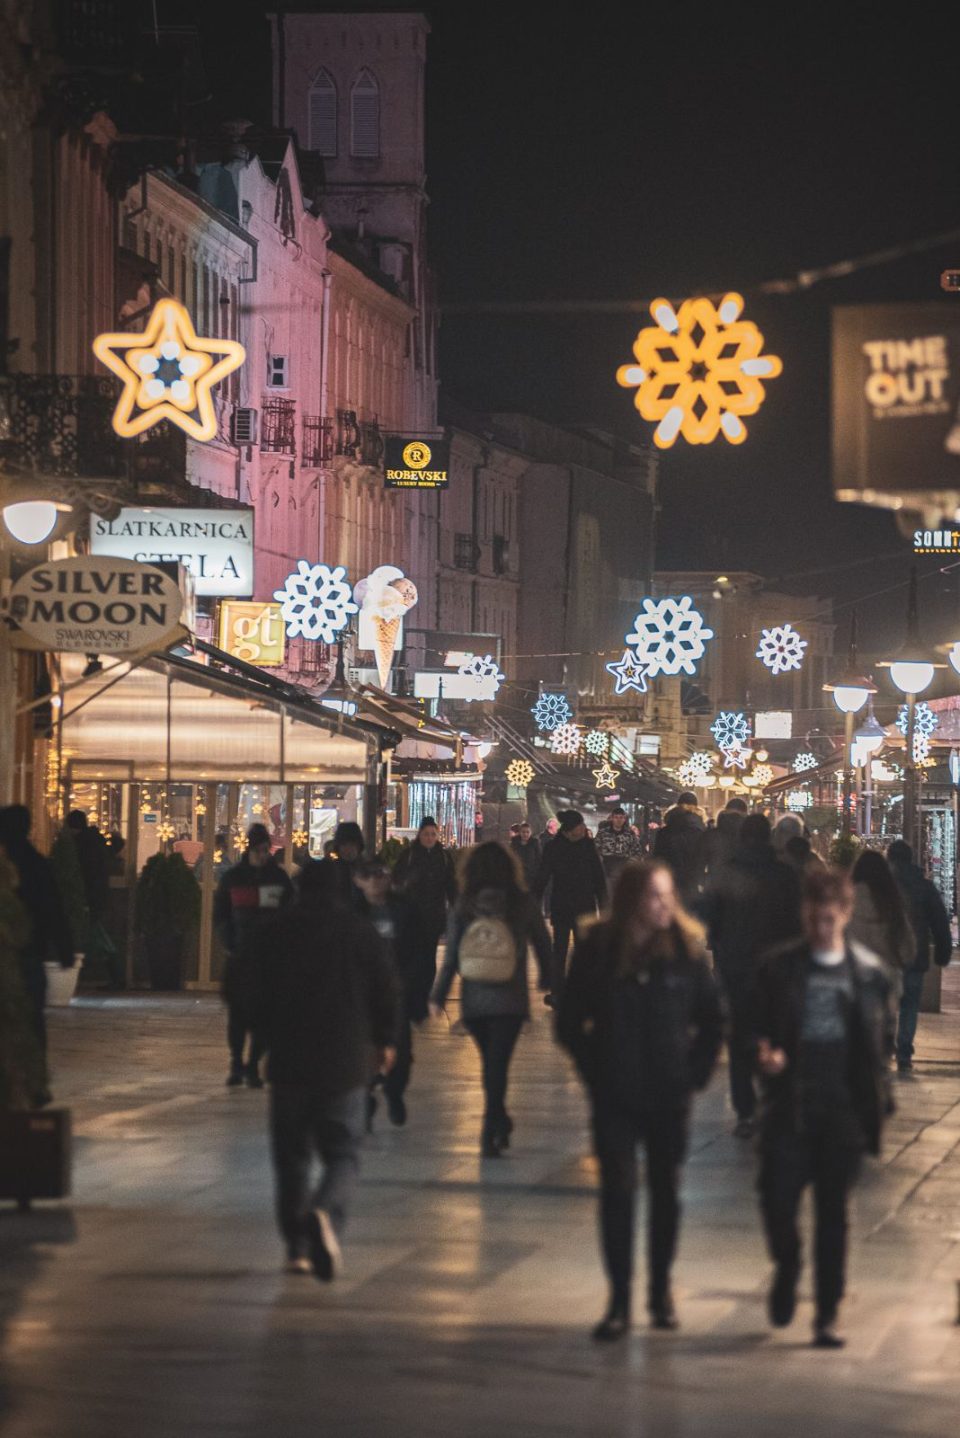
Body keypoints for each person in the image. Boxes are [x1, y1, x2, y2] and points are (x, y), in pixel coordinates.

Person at [557, 861, 722, 1340]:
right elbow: (570, 1021)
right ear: (632, 899)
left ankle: (660, 1290)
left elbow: (712, 1019)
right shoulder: (598, 949)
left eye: (667, 895)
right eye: (654, 895)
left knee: (666, 1192)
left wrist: (694, 1074)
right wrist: (595, 1071)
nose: (664, 904)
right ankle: (619, 1299)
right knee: (618, 1192)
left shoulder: (686, 953)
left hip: (669, 1093)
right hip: (615, 1091)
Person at [753, 866, 895, 1348]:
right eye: (813, 919)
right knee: (776, 1200)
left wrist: (878, 1095)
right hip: (789, 1102)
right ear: (804, 915)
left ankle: (827, 1313)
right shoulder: (779, 967)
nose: (819, 930)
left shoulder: (868, 975)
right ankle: (788, 1264)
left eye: (829, 921)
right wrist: (764, 1052)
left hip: (842, 1110)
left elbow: (879, 1042)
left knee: (833, 1214)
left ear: (845, 915)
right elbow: (754, 1025)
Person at [254, 861, 400, 1279]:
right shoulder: (360, 934)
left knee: (292, 1157)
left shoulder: (276, 932)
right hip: (345, 1060)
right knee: (343, 1151)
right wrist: (386, 1040)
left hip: (289, 1060)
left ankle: (297, 1249)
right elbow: (387, 989)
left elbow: (242, 986)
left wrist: (262, 1033)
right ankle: (325, 1211)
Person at [431, 841, 552, 1157]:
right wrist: (552, 982)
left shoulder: (464, 905)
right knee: (499, 1063)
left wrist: (439, 995)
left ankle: (496, 1119)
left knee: (490, 1063)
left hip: (475, 999)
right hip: (511, 999)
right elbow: (544, 945)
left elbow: (452, 956)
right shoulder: (522, 903)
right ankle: (493, 1122)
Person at [700, 814, 802, 1137]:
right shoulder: (786, 874)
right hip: (778, 969)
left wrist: (720, 945)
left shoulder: (725, 872)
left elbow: (709, 918)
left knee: (740, 1037)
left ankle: (745, 1110)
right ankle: (772, 1100)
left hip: (736, 968)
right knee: (776, 1033)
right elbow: (798, 922)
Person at [214, 823, 294, 1088]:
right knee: (238, 1016)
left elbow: (290, 914)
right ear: (250, 848)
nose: (263, 855)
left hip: (270, 959)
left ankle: (251, 1065)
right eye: (259, 850)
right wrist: (230, 943)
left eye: (265, 850)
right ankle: (238, 1062)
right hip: (242, 956)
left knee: (264, 1017)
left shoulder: (279, 879)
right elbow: (221, 915)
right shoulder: (233, 879)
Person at [353, 856, 428, 1128]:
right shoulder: (351, 913)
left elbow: (419, 951)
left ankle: (394, 1092)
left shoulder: (405, 909)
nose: (376, 880)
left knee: (402, 1051)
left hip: (398, 993)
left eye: (381, 874)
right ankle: (366, 1094)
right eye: (369, 875)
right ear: (358, 881)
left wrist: (417, 989)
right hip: (362, 996)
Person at [0, 804, 73, 1056]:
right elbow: (52, 908)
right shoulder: (37, 864)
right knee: (32, 1020)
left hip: (13, 954)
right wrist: (65, 948)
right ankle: (33, 1078)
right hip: (30, 953)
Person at [886, 840, 952, 1072]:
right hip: (915, 955)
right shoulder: (924, 887)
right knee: (910, 1006)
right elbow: (940, 922)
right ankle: (904, 1052)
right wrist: (943, 952)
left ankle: (885, 1050)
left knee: (886, 1004)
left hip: (888, 956)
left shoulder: (882, 887)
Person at [534, 810, 607, 997]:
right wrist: (534, 902)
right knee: (559, 950)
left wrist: (604, 905)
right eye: (580, 825)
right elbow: (543, 876)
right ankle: (558, 992)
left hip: (584, 907)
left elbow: (599, 877)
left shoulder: (588, 846)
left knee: (584, 952)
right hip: (563, 906)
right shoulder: (553, 847)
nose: (584, 828)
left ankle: (582, 991)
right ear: (569, 829)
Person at [392, 817, 457, 996]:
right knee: (412, 953)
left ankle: (425, 988)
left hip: (433, 916)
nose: (429, 838)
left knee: (429, 955)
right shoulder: (409, 855)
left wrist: (456, 907)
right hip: (411, 916)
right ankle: (412, 987)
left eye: (432, 834)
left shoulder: (443, 857)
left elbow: (451, 885)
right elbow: (397, 880)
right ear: (419, 835)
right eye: (426, 834)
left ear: (437, 836)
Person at [848, 850, 916, 983]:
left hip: (853, 980)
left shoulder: (845, 902)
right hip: (886, 981)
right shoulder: (892, 903)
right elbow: (907, 949)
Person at [652, 791, 707, 903]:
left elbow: (657, 859)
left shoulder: (664, 832)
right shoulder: (702, 832)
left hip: (669, 883)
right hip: (692, 883)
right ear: (697, 808)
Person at [304, 820, 365, 908]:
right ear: (338, 847)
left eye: (352, 845)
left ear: (358, 846)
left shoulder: (366, 870)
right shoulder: (329, 870)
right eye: (344, 845)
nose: (348, 850)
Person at [65, 809, 109, 923]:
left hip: (87, 895)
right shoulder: (95, 840)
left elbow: (86, 871)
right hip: (98, 894)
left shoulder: (81, 844)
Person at [595, 807, 644, 885]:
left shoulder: (630, 834)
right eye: (616, 817)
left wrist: (631, 863)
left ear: (624, 819)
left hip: (624, 866)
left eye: (621, 817)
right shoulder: (603, 833)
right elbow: (595, 849)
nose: (618, 820)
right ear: (612, 818)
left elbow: (637, 851)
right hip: (607, 866)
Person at [509, 820, 541, 889]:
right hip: (518, 875)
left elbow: (539, 858)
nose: (525, 834)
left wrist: (536, 873)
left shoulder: (535, 842)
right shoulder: (514, 842)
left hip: (531, 876)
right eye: (523, 832)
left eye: (527, 832)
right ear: (520, 832)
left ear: (530, 833)